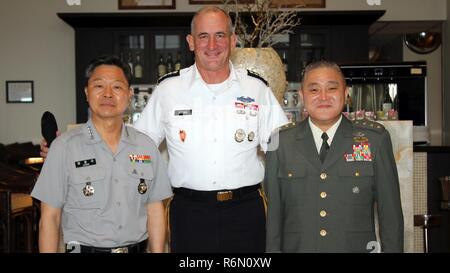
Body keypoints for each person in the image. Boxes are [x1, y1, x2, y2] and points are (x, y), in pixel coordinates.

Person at [133, 6, 288, 252]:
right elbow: (137, 146)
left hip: (246, 212)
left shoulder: (256, 89)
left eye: (220, 35)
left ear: (233, 41)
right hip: (188, 213)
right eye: (203, 36)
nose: (212, 44)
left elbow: (284, 148)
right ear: (191, 42)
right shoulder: (168, 90)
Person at [32, 55, 173, 253]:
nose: (108, 94)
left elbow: (155, 210)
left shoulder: (146, 146)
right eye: (99, 86)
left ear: (129, 94)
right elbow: (49, 218)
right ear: (86, 92)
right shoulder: (63, 147)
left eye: (116, 87)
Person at [264, 60, 404, 253]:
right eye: (314, 90)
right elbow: (273, 218)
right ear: (302, 96)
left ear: (346, 94)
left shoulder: (374, 140)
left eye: (331, 88)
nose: (323, 97)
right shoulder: (280, 143)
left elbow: (391, 216)